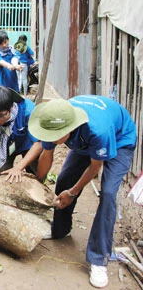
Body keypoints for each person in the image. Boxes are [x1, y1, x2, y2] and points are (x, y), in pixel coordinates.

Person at [28, 96, 137, 288]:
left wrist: (72, 193)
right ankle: (59, 229)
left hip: (120, 141)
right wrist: (39, 183)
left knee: (109, 194)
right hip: (84, 141)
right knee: (64, 180)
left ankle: (98, 259)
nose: (50, 140)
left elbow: (95, 167)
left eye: (54, 137)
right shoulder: (54, 122)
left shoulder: (97, 131)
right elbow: (47, 154)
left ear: (68, 129)